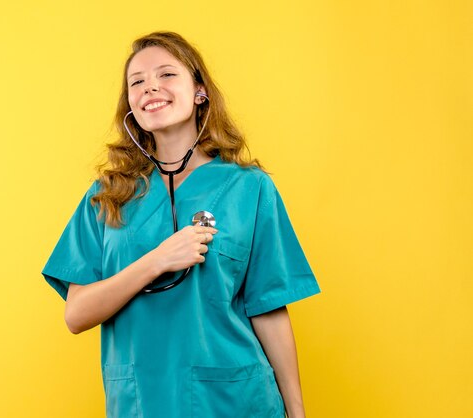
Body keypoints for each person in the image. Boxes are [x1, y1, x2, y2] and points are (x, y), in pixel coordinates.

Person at [42, 31, 321, 418]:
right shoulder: (108, 195)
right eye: (137, 82)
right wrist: (157, 260)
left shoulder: (250, 187)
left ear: (199, 91)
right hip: (142, 403)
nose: (150, 86)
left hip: (235, 402)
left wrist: (298, 413)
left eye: (166, 75)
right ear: (131, 106)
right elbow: (77, 314)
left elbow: (268, 309)